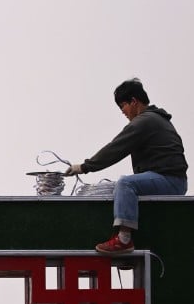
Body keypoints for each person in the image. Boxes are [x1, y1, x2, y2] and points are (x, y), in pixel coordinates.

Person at [65, 78, 187, 255]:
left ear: (134, 101)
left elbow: (116, 148)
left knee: (125, 184)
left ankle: (123, 240)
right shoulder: (157, 120)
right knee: (120, 190)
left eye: (123, 106)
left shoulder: (144, 122)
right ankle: (129, 246)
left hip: (169, 181)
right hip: (171, 180)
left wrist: (85, 167)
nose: (123, 112)